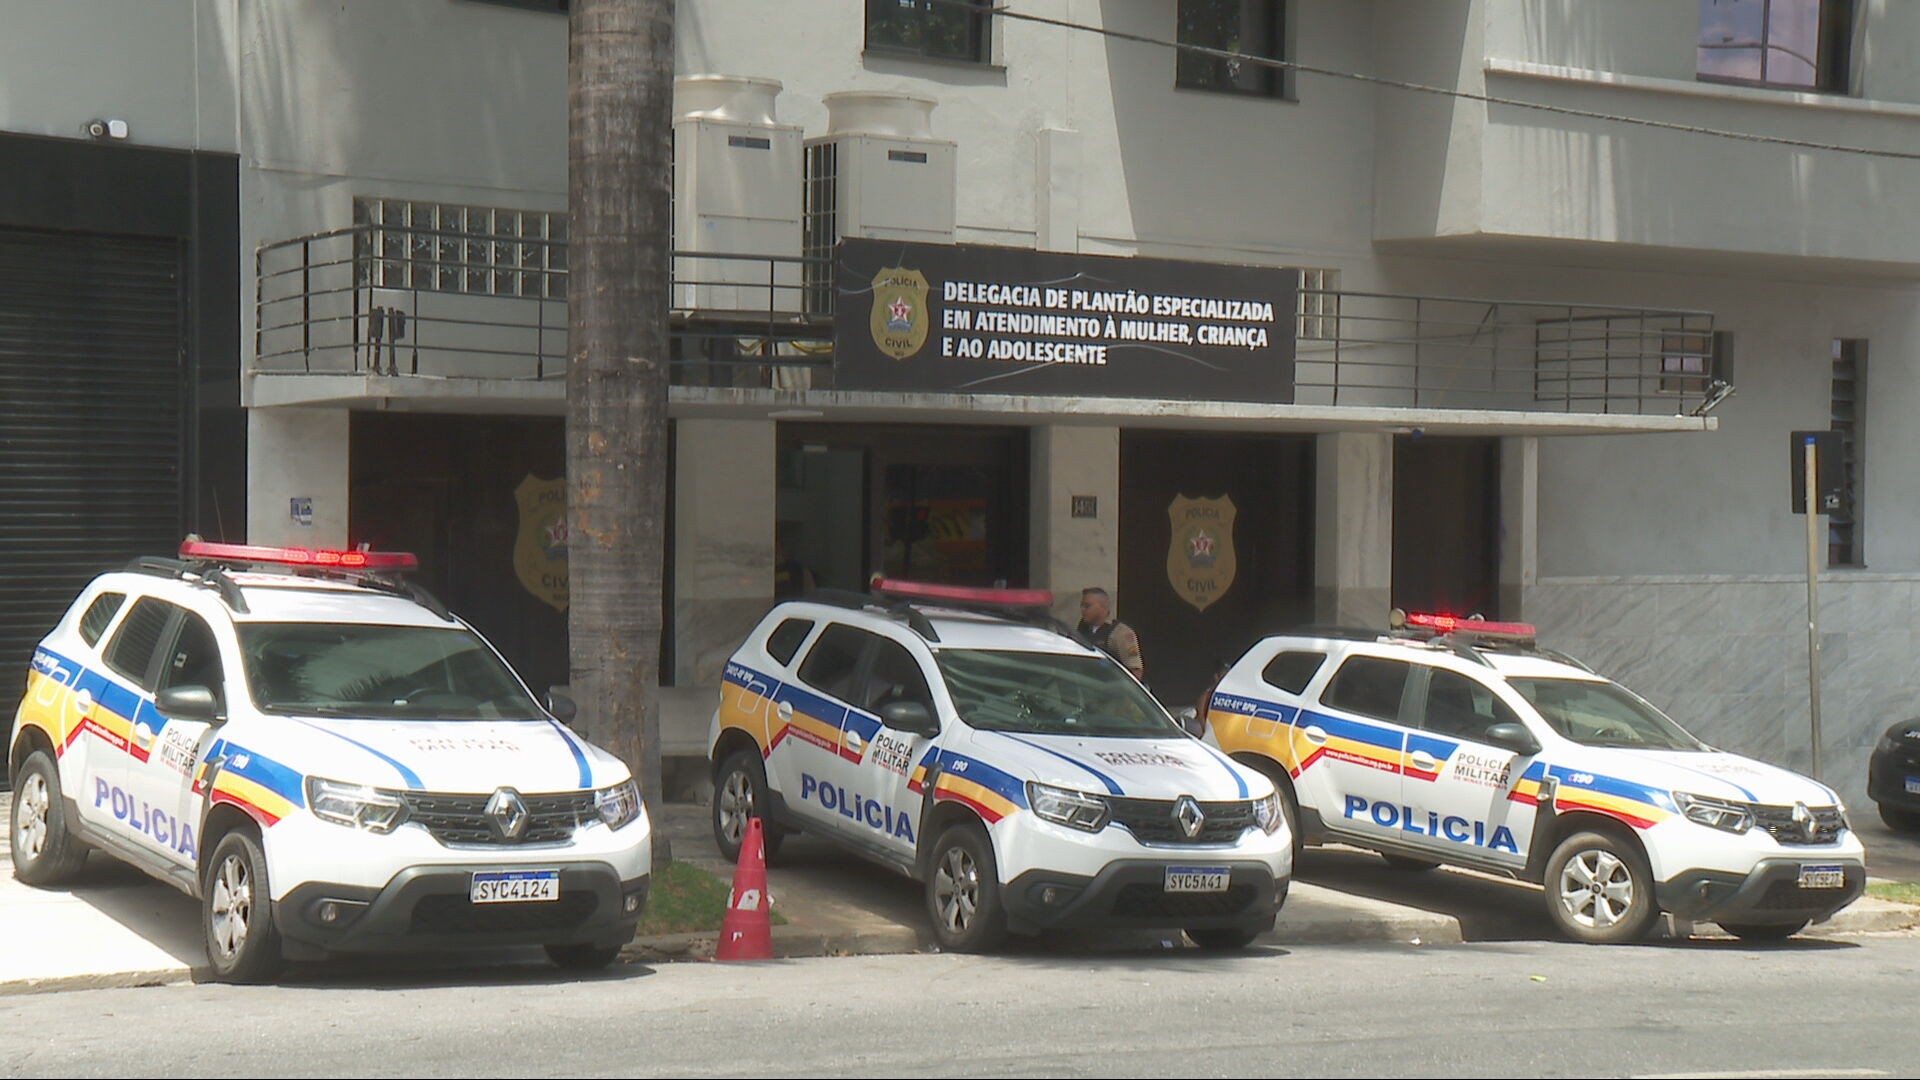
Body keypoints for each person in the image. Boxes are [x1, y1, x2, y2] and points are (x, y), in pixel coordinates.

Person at [1077, 587, 1145, 683]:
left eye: (1087, 606)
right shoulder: (1082, 629)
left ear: (1103, 607)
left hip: (1109, 688)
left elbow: (1135, 669)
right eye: (1082, 606)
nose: (1082, 610)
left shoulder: (1120, 633)